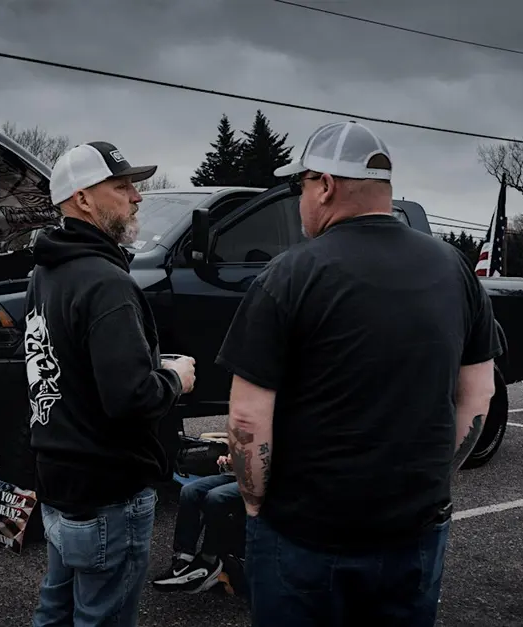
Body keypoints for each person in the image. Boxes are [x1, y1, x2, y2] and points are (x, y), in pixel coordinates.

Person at [214, 121, 501, 626]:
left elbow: (247, 416)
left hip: (305, 534)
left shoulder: (288, 274)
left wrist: (255, 505)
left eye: (301, 185)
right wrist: (433, 483)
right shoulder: (454, 269)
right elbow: (478, 396)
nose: (300, 199)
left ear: (324, 186)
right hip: (416, 530)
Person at [25, 140, 197, 627]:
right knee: (103, 618)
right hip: (107, 490)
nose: (137, 197)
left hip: (59, 479)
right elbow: (130, 399)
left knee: (55, 610)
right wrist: (173, 377)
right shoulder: (107, 283)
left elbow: (63, 365)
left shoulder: (46, 272)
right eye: (122, 187)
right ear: (83, 199)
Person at [151, 454, 242, 594]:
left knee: (215, 498)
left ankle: (208, 560)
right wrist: (228, 461)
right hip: (239, 474)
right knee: (189, 491)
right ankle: (183, 559)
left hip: (261, 479)